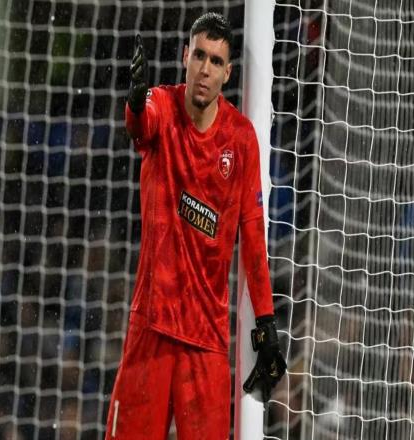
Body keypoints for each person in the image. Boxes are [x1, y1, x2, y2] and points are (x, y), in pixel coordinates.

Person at [105, 12, 286, 440]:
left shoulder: (241, 139)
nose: (205, 69)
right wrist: (134, 103)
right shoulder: (161, 105)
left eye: (216, 61)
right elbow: (140, 125)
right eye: (199, 56)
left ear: (228, 73)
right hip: (152, 327)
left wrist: (266, 323)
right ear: (185, 56)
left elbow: (253, 234)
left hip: (205, 340)